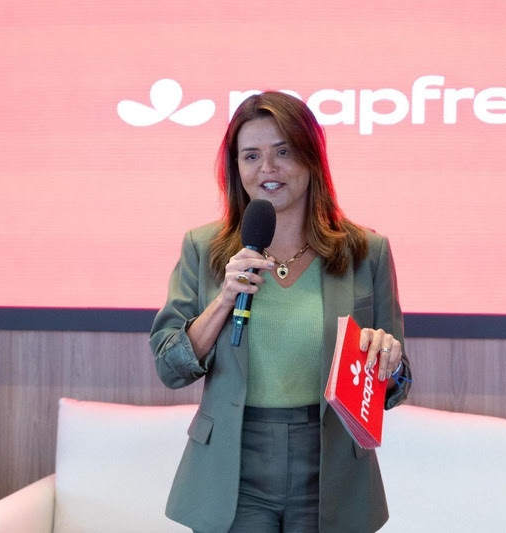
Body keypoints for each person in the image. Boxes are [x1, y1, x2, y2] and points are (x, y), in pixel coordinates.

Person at [149, 91, 412, 533]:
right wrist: (223, 300)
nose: (267, 168)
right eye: (251, 156)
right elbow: (169, 367)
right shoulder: (203, 247)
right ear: (236, 168)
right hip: (233, 465)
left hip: (329, 464)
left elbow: (397, 387)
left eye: (283, 152)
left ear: (311, 159)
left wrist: (391, 361)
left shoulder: (367, 252)